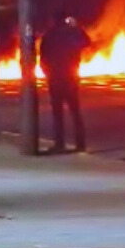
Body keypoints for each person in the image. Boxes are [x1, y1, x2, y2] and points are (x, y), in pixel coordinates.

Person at [39, 11, 91, 153]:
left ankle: (59, 144)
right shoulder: (72, 34)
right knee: (75, 111)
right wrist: (77, 26)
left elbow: (42, 59)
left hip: (55, 78)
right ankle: (80, 144)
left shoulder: (48, 36)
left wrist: (48, 73)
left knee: (58, 113)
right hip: (70, 77)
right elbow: (87, 42)